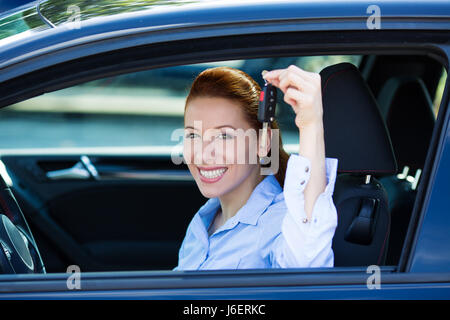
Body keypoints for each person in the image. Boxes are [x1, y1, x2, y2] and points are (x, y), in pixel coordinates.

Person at [174, 65, 338, 270]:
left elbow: (307, 268)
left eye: (224, 136)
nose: (202, 154)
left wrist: (311, 125)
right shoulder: (203, 222)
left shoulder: (280, 223)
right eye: (193, 135)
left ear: (263, 143)